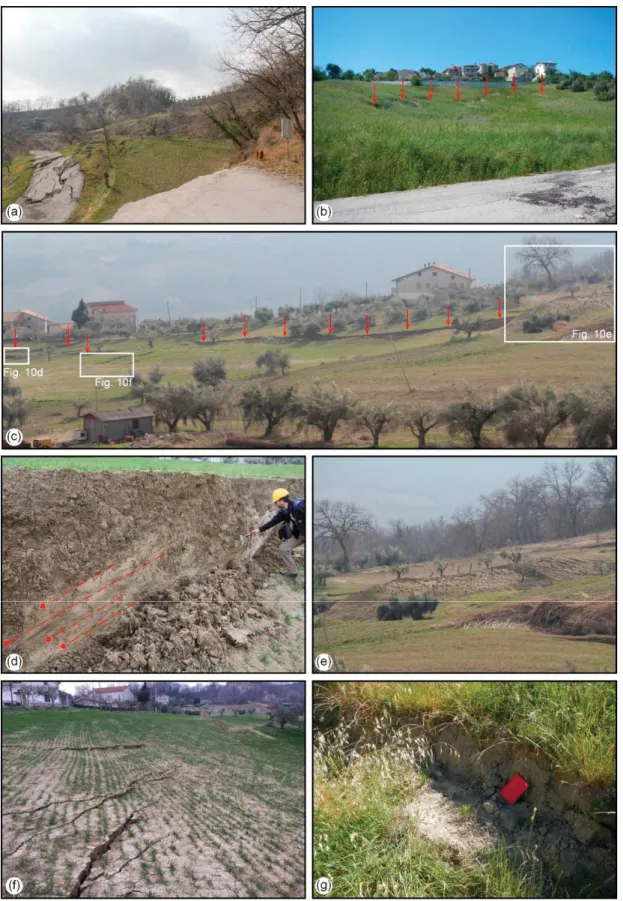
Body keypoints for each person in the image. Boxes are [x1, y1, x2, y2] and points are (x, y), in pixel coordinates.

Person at [249, 488, 305, 578]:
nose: (275, 504)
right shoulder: (285, 512)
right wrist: (258, 530)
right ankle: (293, 573)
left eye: (276, 501)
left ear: (282, 500)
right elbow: (273, 521)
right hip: (301, 534)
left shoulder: (300, 506)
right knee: (284, 548)